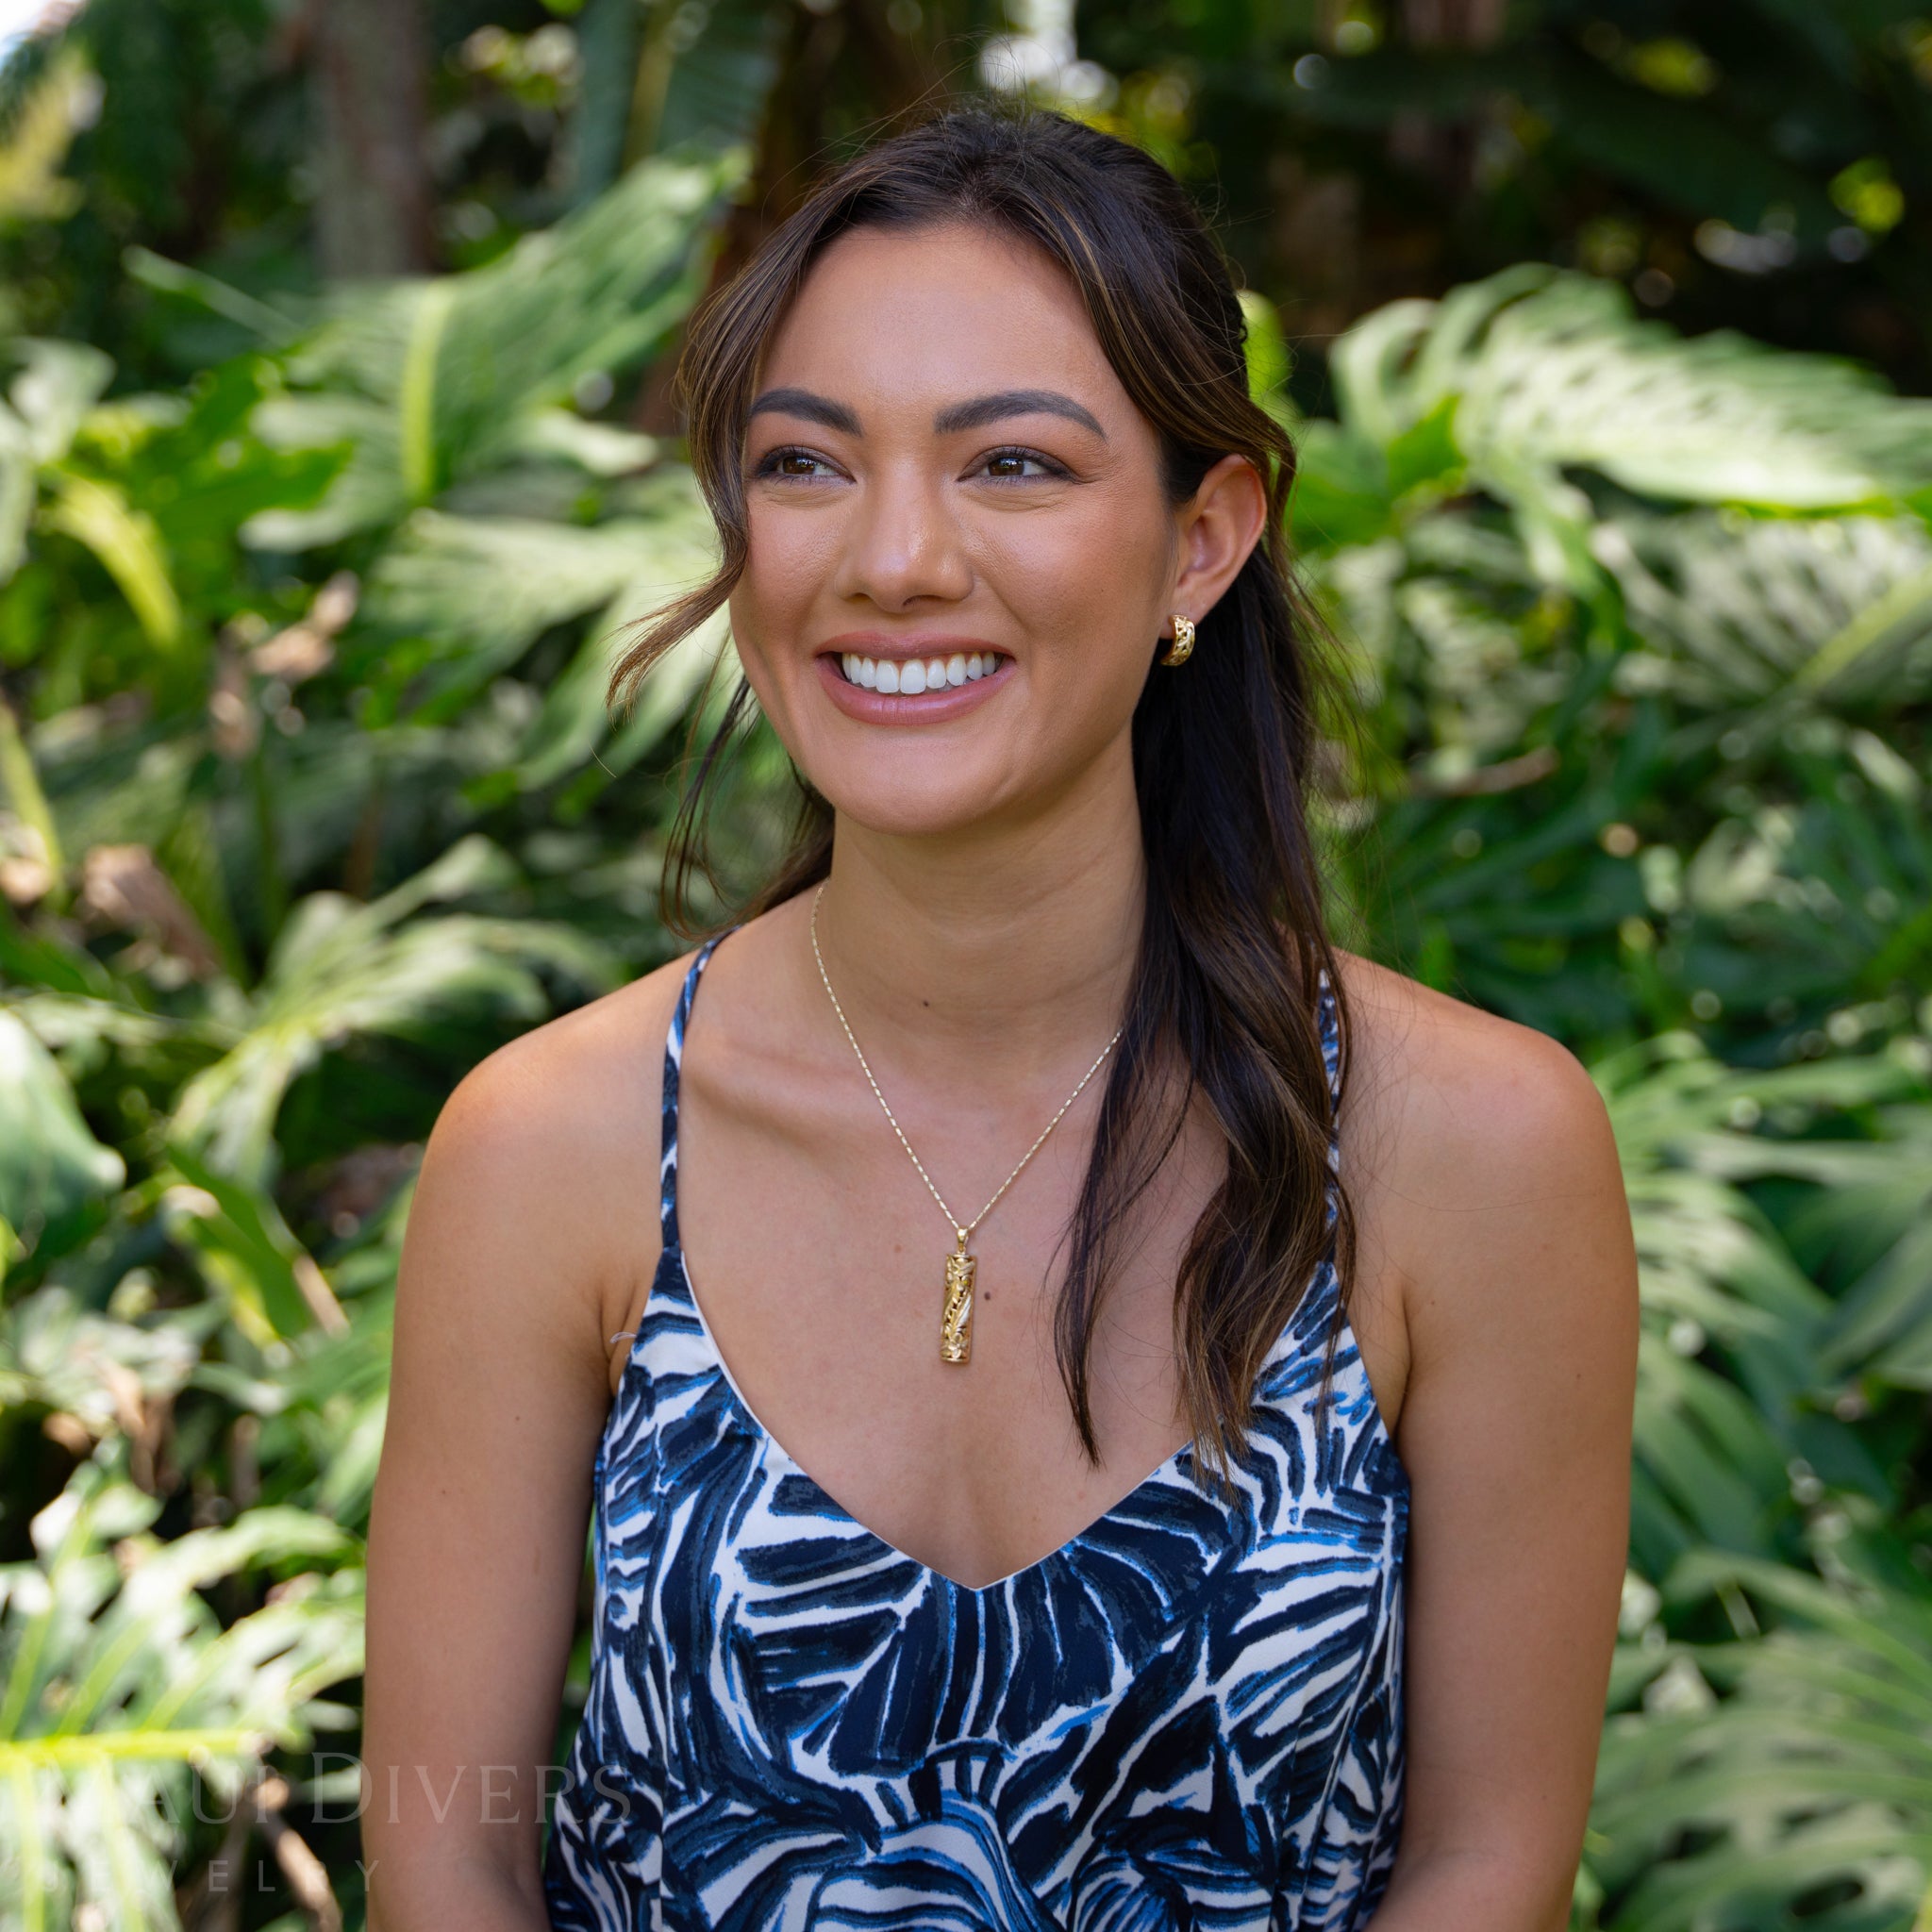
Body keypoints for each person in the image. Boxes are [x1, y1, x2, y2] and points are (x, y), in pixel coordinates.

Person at [361, 104, 1639, 1931]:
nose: (890, 556)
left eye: (1012, 466)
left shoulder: (1467, 1150)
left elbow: (1485, 1859)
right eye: (807, 465)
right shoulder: (553, 1146)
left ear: (1200, 543)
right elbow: (442, 1843)